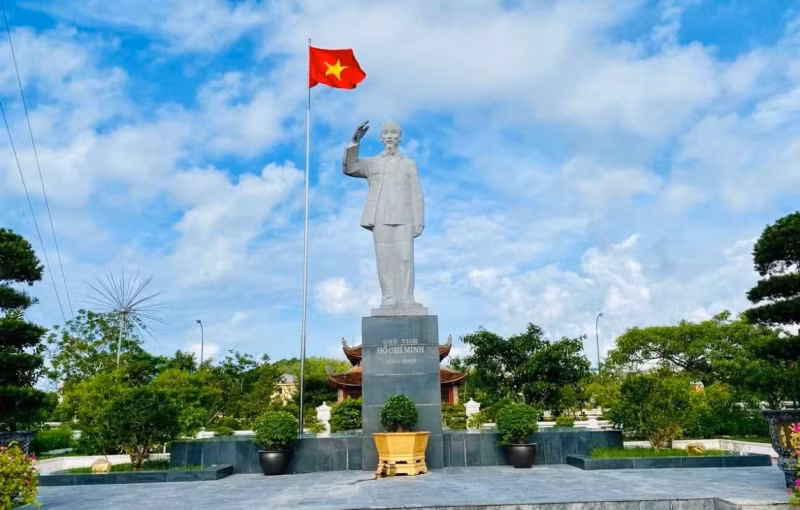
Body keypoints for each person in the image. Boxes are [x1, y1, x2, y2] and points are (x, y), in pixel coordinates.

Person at [342, 120, 427, 316]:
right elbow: (350, 167)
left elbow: (417, 193)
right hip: (380, 217)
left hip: (404, 217)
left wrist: (419, 220)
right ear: (381, 138)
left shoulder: (409, 165)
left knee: (405, 258)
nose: (389, 136)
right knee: (385, 261)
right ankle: (388, 298)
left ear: (399, 137)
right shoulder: (372, 164)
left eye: (393, 132)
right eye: (386, 133)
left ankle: (407, 298)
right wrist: (355, 142)